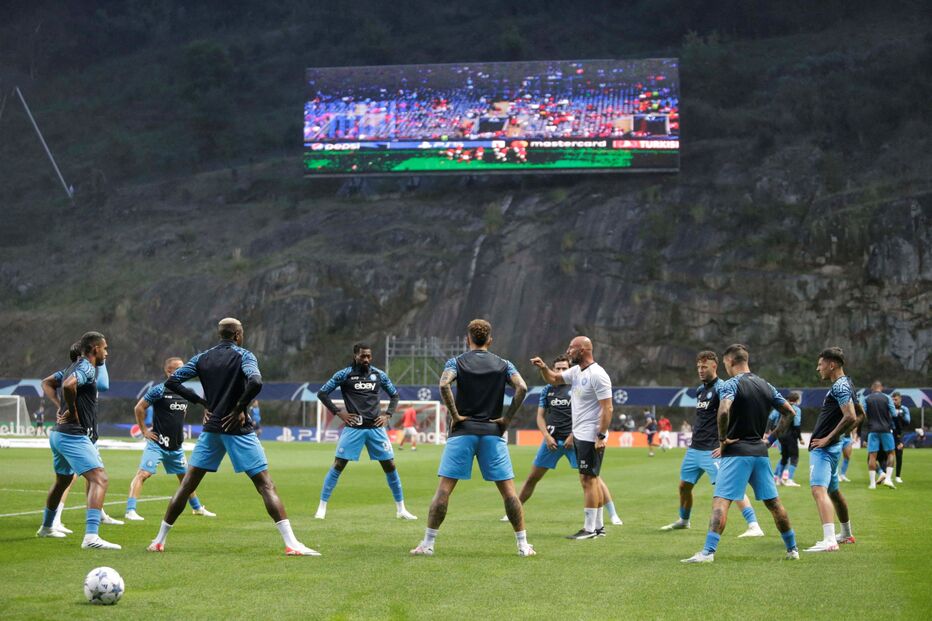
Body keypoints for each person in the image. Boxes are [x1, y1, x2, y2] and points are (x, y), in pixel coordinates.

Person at [147, 318, 319, 556]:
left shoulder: (202, 358)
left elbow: (173, 381)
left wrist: (202, 402)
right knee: (266, 485)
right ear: (238, 335)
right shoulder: (244, 356)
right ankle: (291, 543)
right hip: (237, 430)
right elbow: (256, 381)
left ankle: (158, 540)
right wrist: (239, 408)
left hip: (211, 429)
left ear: (220, 335)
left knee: (187, 485)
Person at [411, 319, 534, 557]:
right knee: (509, 492)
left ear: (468, 339)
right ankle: (522, 545)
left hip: (463, 432)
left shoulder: (455, 362)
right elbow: (522, 388)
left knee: (444, 490)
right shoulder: (504, 364)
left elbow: (444, 384)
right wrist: (507, 419)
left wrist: (455, 415)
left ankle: (428, 544)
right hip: (492, 432)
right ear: (490, 340)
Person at [682, 344, 800, 563]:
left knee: (721, 501)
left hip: (737, 452)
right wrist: (771, 439)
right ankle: (792, 549)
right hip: (759, 452)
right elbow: (789, 412)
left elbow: (724, 410)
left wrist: (723, 439)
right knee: (774, 504)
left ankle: (708, 552)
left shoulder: (731, 384)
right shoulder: (766, 385)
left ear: (730, 362)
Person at [503, 355, 622, 527]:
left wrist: (572, 436)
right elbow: (540, 417)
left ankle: (613, 514)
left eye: (564, 368)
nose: (560, 371)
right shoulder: (547, 390)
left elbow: (587, 415)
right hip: (551, 442)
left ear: (570, 370)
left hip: (575, 441)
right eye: (557, 368)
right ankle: (514, 511)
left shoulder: (578, 387)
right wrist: (547, 436)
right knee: (532, 478)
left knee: (592, 479)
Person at [661, 351, 766, 538]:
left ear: (715, 366)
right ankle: (684, 520)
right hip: (695, 448)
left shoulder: (724, 387)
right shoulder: (700, 390)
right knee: (684, 486)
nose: (701, 370)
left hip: (713, 450)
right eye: (699, 367)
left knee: (731, 488)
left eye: (704, 367)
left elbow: (732, 416)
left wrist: (725, 441)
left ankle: (754, 525)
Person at [36, 331, 121, 550]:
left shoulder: (70, 367)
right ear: (95, 349)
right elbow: (68, 385)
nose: (106, 352)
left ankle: (46, 527)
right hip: (73, 434)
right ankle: (91, 537)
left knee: (62, 481)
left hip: (58, 434)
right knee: (99, 479)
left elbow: (47, 382)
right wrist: (71, 410)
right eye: (105, 348)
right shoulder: (85, 367)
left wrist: (60, 407)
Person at [315, 343, 416, 520]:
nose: (366, 359)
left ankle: (401, 509)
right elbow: (322, 393)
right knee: (338, 464)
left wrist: (388, 415)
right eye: (363, 356)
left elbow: (395, 395)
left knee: (390, 465)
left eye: (369, 356)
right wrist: (339, 413)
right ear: (355, 356)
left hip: (376, 428)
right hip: (354, 428)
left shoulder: (378, 375)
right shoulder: (344, 374)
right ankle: (322, 507)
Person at [531, 335, 613, 540]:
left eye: (572, 348)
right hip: (581, 433)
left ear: (584, 350)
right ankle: (599, 527)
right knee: (589, 479)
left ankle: (589, 529)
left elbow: (608, 408)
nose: (568, 351)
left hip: (591, 434)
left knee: (588, 479)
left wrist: (601, 435)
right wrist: (542, 367)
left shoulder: (598, 374)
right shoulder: (576, 371)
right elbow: (554, 379)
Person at [124, 357, 215, 521]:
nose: (183, 371)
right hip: (157, 444)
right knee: (143, 474)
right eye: (179, 368)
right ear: (169, 371)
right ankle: (130, 510)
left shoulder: (187, 393)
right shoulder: (159, 390)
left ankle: (197, 508)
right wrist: (144, 430)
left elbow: (181, 415)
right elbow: (139, 407)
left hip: (176, 447)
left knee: (186, 479)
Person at [804, 347, 862, 552]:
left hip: (824, 448)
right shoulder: (847, 384)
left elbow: (852, 416)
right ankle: (846, 533)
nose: (818, 368)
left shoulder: (840, 386)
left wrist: (829, 437)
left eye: (820, 364)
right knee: (834, 492)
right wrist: (838, 437)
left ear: (832, 365)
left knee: (818, 490)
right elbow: (860, 414)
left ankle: (829, 540)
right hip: (833, 447)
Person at [861, 381, 897, 489]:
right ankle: (888, 479)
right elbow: (894, 413)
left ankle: (872, 484)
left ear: (872, 388)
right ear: (881, 387)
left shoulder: (866, 398)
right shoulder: (887, 398)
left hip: (872, 430)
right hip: (886, 429)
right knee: (891, 453)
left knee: (872, 456)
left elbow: (863, 413)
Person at [774, 392, 804, 487]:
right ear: (797, 400)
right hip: (790, 435)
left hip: (781, 435)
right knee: (794, 457)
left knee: (784, 457)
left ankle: (778, 479)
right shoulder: (796, 409)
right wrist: (800, 438)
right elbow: (796, 425)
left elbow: (773, 420)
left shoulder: (782, 408)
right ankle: (789, 479)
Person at [891, 391, 911, 483]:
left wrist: (899, 414)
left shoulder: (904, 409)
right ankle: (886, 475)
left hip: (899, 434)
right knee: (887, 454)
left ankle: (898, 476)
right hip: (889, 433)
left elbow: (907, 421)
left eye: (896, 399)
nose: (894, 401)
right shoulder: (889, 408)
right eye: (893, 399)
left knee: (899, 454)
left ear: (900, 399)